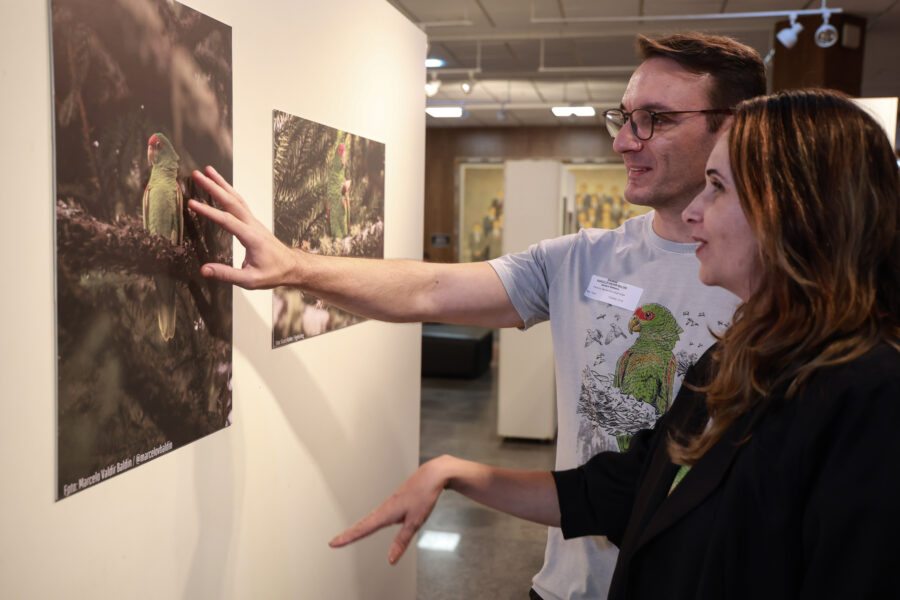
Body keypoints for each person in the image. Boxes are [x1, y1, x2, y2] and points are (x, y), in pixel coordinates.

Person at [188, 33, 766, 599]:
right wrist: (293, 266)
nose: (623, 142)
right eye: (625, 118)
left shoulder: (779, 284)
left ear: (734, 127)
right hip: (570, 586)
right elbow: (430, 291)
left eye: (655, 120)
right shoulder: (583, 258)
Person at [329, 89, 900, 599]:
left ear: (795, 209)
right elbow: (624, 490)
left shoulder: (869, 397)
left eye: (718, 187)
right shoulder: (733, 357)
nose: (695, 211)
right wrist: (454, 471)